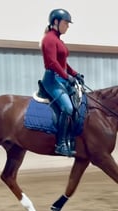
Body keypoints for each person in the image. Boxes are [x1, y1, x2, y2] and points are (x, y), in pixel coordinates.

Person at [40, 8, 84, 157]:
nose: (68, 26)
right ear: (56, 22)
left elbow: (63, 63)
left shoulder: (58, 40)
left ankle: (72, 140)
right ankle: (60, 144)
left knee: (79, 105)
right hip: (52, 79)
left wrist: (75, 74)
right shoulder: (49, 39)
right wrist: (66, 76)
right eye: (66, 23)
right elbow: (52, 63)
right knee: (67, 107)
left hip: (61, 78)